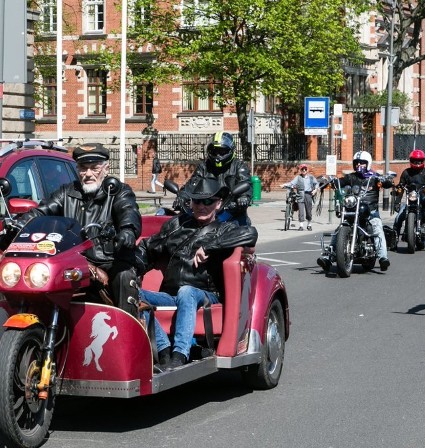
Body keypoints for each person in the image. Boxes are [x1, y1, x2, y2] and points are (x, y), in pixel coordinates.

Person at [136, 177, 258, 370]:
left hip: (206, 295)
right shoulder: (175, 226)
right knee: (129, 291)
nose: (202, 206)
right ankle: (163, 349)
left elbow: (250, 234)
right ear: (191, 202)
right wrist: (132, 269)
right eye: (197, 201)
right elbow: (148, 247)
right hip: (171, 295)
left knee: (187, 291)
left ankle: (179, 355)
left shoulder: (225, 228)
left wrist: (209, 246)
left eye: (208, 201)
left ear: (218, 203)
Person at [16, 143, 143, 318]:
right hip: (73, 260)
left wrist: (127, 231)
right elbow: (42, 211)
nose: (88, 174)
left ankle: (126, 334)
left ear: (106, 168)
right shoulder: (66, 192)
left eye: (94, 168)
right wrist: (18, 224)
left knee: (124, 277)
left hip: (108, 261)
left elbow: (128, 211)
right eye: (83, 168)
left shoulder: (119, 191)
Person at [182, 132, 252, 226]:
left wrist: (243, 197)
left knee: (245, 231)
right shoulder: (204, 166)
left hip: (232, 210)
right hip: (207, 208)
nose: (218, 155)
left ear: (231, 151)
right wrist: (182, 196)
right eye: (214, 151)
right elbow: (192, 184)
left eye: (222, 151)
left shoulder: (238, 165)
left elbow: (245, 182)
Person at [340, 150, 390, 270]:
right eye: (357, 163)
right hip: (353, 210)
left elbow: (387, 183)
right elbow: (340, 181)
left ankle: (383, 257)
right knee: (340, 229)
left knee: (377, 228)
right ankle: (328, 256)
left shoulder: (374, 177)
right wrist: (331, 181)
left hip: (370, 211)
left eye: (362, 163)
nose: (359, 165)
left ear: (368, 163)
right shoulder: (351, 177)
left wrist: (385, 180)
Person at [393, 149, 425, 237]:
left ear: (423, 161)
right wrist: (397, 202)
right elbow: (401, 186)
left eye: (419, 161)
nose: (417, 163)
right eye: (415, 161)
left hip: (423, 198)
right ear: (411, 161)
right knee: (398, 218)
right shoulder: (406, 172)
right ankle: (394, 238)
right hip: (411, 199)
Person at [284, 164, 318, 230]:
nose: (304, 170)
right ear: (300, 170)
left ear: (307, 170)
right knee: (301, 211)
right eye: (302, 169)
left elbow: (316, 183)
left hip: (308, 194)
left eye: (305, 169)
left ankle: (309, 224)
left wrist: (315, 190)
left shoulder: (311, 177)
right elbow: (292, 183)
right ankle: (301, 226)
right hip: (300, 195)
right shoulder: (298, 177)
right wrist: (284, 184)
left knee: (308, 211)